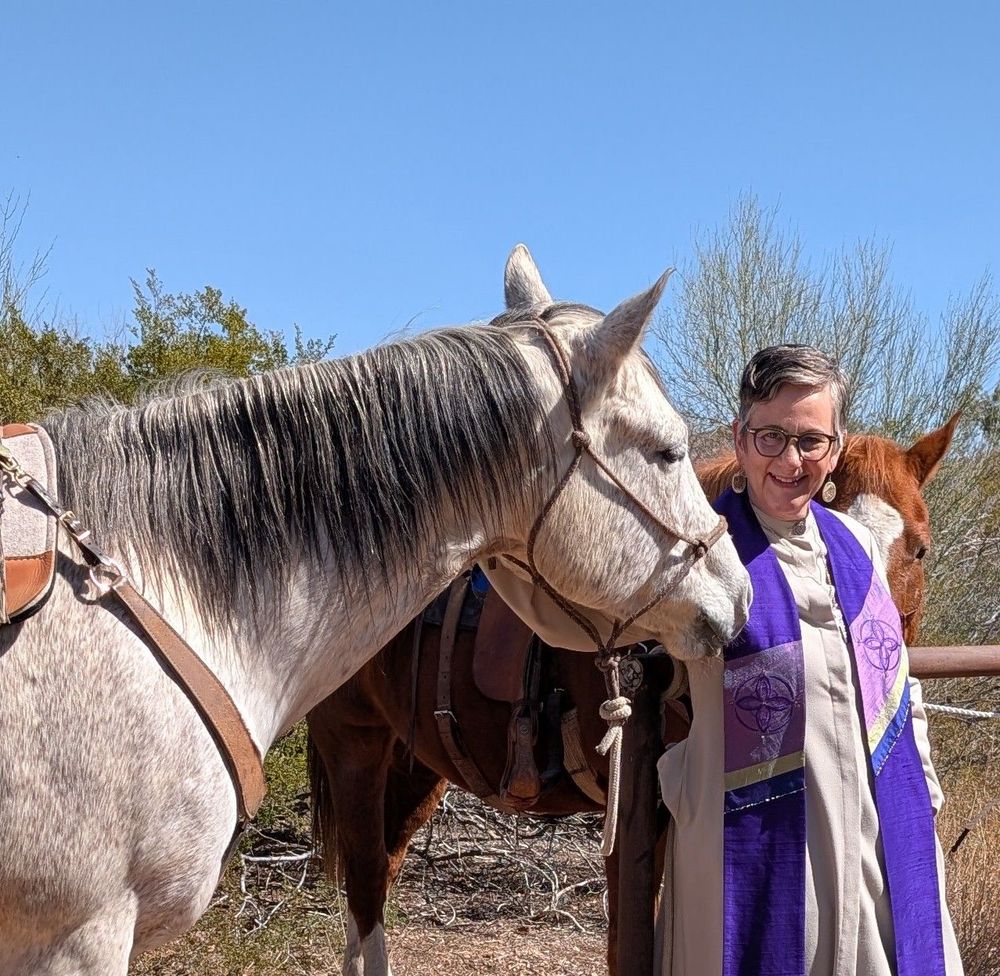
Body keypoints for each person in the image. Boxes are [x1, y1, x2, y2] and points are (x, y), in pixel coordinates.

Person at [654, 345, 962, 975]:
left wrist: (921, 797)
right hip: (748, 848)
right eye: (771, 436)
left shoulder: (857, 545)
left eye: (812, 440)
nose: (791, 460)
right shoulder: (697, 555)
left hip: (874, 840)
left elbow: (898, 688)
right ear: (740, 439)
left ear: (837, 447)